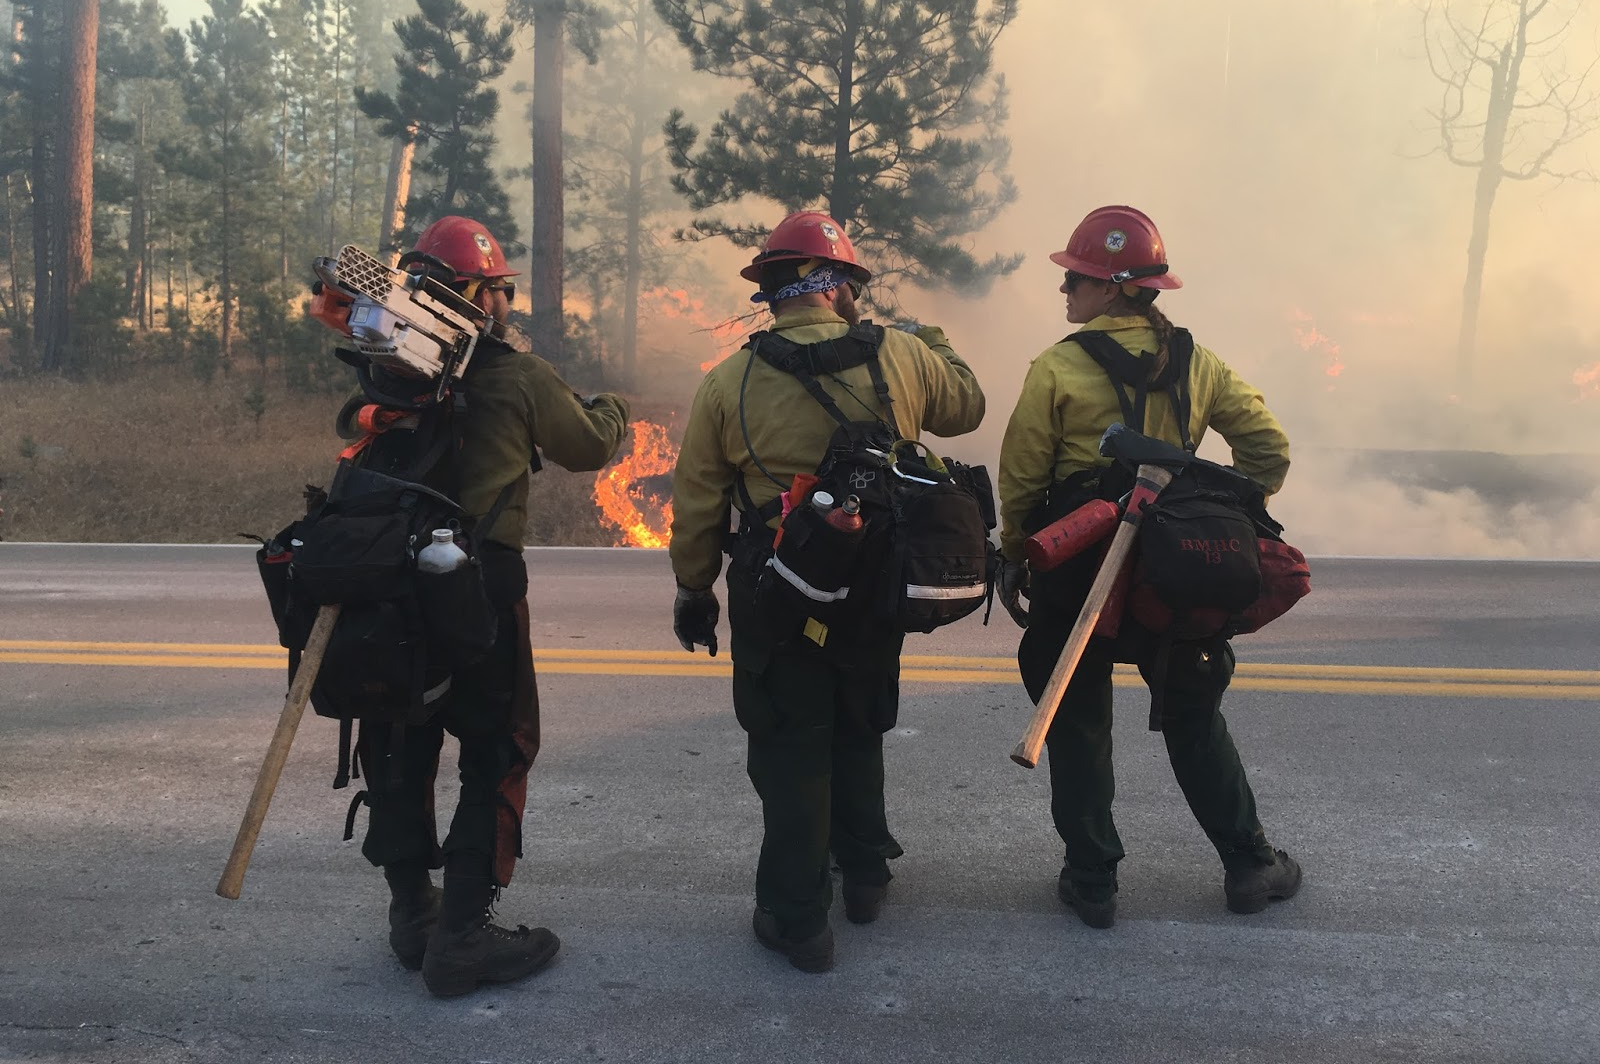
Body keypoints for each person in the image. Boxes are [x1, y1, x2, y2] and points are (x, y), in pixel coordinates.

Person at [668, 211, 986, 973]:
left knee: (789, 744)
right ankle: (867, 873)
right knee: (858, 720)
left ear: (772, 294)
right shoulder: (904, 356)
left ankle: (796, 917)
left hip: (777, 591)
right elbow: (966, 407)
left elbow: (699, 505)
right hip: (876, 583)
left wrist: (694, 590)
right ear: (841, 289)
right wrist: (931, 340)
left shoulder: (726, 381)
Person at [341, 215, 630, 997]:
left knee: (400, 743)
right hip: (479, 589)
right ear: (474, 293)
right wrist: (614, 408)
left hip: (390, 590)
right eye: (499, 288)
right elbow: (590, 446)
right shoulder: (513, 375)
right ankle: (464, 934)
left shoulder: (390, 373)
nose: (505, 303)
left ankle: (414, 916)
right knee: (497, 750)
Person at [995, 204, 1300, 929]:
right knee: (1195, 716)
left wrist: (1020, 554)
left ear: (1115, 290)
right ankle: (1251, 865)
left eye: (1077, 281)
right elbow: (1268, 455)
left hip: (1081, 572)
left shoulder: (1058, 368)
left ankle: (1093, 879)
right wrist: (1214, 504)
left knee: (1073, 722)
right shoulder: (1202, 364)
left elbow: (1020, 481)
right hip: (1178, 570)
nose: (1065, 293)